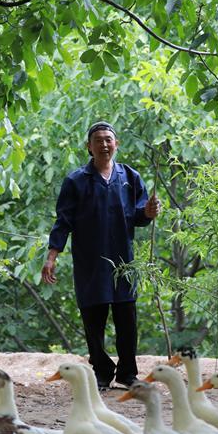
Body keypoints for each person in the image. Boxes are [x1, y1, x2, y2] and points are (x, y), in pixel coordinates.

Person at [42, 121, 161, 391]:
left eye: (109, 139)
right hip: (90, 262)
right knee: (93, 320)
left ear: (116, 144)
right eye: (99, 140)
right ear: (89, 147)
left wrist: (150, 212)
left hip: (124, 262)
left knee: (127, 319)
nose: (104, 144)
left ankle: (128, 374)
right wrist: (52, 256)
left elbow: (140, 216)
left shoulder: (130, 177)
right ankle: (102, 370)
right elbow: (63, 222)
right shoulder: (75, 181)